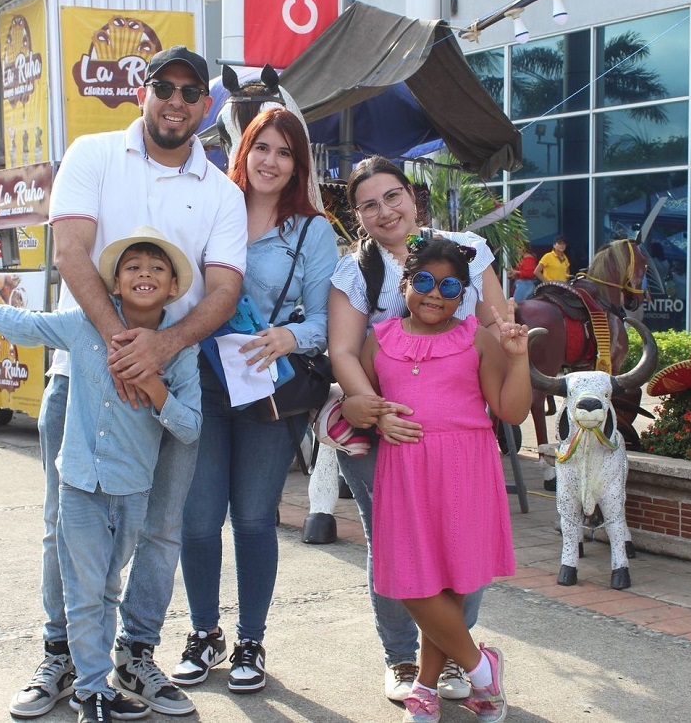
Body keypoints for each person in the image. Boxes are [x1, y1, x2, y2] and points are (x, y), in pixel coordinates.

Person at [9, 46, 247, 720]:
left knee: (161, 528)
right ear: (141, 94)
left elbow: (224, 289)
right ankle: (61, 653)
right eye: (162, 87)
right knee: (64, 523)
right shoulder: (91, 155)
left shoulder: (221, 190)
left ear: (204, 106)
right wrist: (121, 345)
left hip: (172, 384)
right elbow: (71, 253)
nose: (175, 101)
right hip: (81, 378)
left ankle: (135, 655)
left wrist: (162, 347)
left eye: (189, 91)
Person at [0, 229, 202, 723]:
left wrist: (154, 386)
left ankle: (99, 679)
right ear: (114, 284)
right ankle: (91, 688)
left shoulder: (180, 352)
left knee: (109, 587)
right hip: (79, 483)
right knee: (82, 587)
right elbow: (24, 325)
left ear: (174, 286)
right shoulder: (81, 325)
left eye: (157, 269)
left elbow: (189, 426)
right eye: (132, 267)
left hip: (131, 489)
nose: (144, 274)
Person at [327, 156, 507, 705]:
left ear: (413, 195)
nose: (385, 210)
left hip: (457, 434)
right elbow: (343, 349)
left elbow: (497, 322)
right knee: (396, 551)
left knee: (458, 549)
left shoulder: (466, 252)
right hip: (384, 434)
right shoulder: (354, 270)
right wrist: (375, 409)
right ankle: (404, 660)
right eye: (369, 204)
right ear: (357, 216)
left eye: (393, 195)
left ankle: (455, 659)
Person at [173, 108, 339, 694]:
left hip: (269, 388)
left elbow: (325, 319)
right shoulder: (213, 208)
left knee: (251, 518)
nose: (271, 161)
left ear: (299, 165)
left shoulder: (312, 230)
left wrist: (291, 336)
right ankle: (202, 633)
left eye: (285, 152)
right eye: (262, 148)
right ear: (243, 151)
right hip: (205, 381)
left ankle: (250, 638)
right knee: (196, 519)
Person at [360, 236, 530, 723]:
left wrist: (517, 357)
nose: (435, 294)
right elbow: (362, 403)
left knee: (450, 580)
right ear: (406, 283)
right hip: (405, 472)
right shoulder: (381, 338)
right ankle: (482, 669)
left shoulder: (477, 337)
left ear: (464, 294)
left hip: (465, 470)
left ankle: (426, 687)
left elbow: (511, 410)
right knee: (410, 579)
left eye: (450, 285)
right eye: (425, 282)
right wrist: (373, 416)